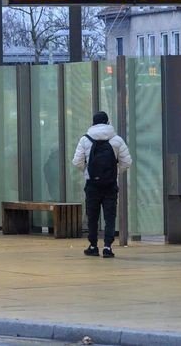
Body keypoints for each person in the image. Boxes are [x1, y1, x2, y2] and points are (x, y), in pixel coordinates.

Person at [72, 111, 133, 259]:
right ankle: (107, 247)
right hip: (110, 185)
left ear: (93, 122)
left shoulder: (85, 140)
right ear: (107, 122)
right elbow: (127, 162)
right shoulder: (117, 140)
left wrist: (88, 171)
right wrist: (115, 172)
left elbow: (77, 162)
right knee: (110, 216)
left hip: (92, 184)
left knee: (92, 216)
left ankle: (93, 246)